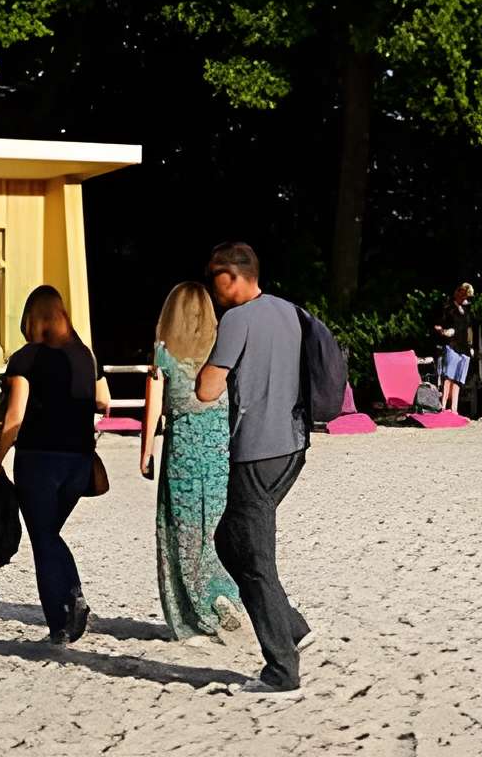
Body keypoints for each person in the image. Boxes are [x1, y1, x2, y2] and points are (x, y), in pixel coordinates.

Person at [199, 241, 313, 701]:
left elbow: (208, 388)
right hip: (293, 445)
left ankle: (281, 667)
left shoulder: (236, 319)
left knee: (254, 555)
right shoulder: (290, 312)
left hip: (255, 451)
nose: (212, 288)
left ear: (231, 275)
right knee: (228, 539)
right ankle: (291, 626)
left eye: (214, 278)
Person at [0, 283, 108, 643]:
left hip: (39, 459)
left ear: (31, 319)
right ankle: (68, 605)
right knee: (49, 535)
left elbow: (15, 414)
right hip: (78, 460)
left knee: (43, 539)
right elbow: (104, 401)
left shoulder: (26, 358)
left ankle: (65, 614)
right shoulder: (85, 354)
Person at [146, 280, 243, 641]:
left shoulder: (164, 353)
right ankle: (224, 598)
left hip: (183, 454)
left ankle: (194, 609)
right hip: (220, 455)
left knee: (183, 534)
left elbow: (154, 406)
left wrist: (145, 453)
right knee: (216, 529)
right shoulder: (222, 351)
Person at [426, 283, 476, 416]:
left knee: (459, 379)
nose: (466, 298)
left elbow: (469, 328)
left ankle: (454, 409)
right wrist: (443, 331)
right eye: (465, 295)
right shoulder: (448, 308)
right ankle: (442, 407)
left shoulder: (467, 309)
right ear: (459, 294)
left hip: (464, 347)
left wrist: (471, 346)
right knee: (449, 377)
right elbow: (439, 325)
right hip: (452, 345)